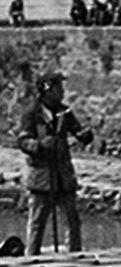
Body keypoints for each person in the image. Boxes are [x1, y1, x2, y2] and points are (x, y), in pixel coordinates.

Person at [17, 73, 93, 257]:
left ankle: (75, 257)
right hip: (42, 176)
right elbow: (23, 141)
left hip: (63, 175)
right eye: (58, 88)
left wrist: (84, 135)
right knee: (37, 222)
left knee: (72, 219)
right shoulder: (31, 113)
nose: (62, 92)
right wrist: (40, 145)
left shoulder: (64, 112)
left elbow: (77, 130)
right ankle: (31, 259)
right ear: (46, 90)